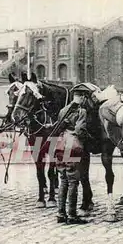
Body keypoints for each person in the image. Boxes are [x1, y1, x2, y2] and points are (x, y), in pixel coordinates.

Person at [52, 85, 92, 224]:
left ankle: (60, 213)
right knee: (73, 181)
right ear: (82, 97)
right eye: (85, 98)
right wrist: (88, 137)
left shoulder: (63, 110)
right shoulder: (82, 111)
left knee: (63, 180)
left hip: (60, 145)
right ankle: (72, 215)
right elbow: (80, 130)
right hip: (72, 146)